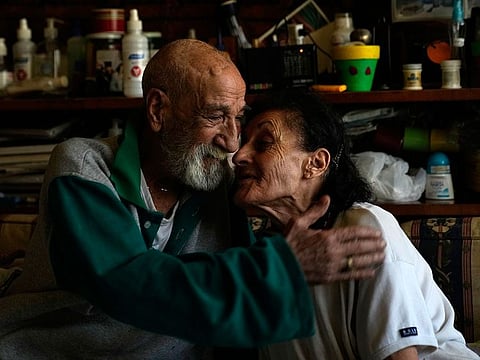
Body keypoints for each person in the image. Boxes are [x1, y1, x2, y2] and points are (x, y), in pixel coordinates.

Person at [0, 39, 385, 359]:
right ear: (157, 110)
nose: (233, 143)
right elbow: (124, 282)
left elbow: (239, 300)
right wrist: (280, 266)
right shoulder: (83, 165)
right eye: (216, 116)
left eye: (239, 117)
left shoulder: (219, 180)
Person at [232, 88, 480, 360]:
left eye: (264, 143)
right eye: (244, 142)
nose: (239, 156)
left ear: (316, 163)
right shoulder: (267, 254)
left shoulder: (365, 228)